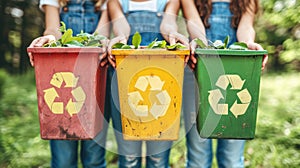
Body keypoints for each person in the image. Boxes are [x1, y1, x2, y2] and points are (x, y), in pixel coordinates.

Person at [179, 0, 268, 167]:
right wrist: (201, 45)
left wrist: (247, 43)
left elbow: (246, 27)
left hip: (235, 74)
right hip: (198, 71)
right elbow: (193, 22)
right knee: (198, 155)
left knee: (231, 158)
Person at [27, 0, 110, 167]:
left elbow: (103, 32)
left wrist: (102, 43)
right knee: (63, 159)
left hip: (97, 77)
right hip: (62, 74)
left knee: (94, 158)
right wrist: (49, 38)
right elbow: (53, 29)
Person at [106, 0, 187, 167]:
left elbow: (168, 24)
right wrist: (121, 39)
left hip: (161, 86)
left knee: (158, 159)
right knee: (128, 157)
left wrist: (172, 34)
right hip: (125, 85)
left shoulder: (169, 1)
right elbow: (121, 25)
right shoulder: (116, 2)